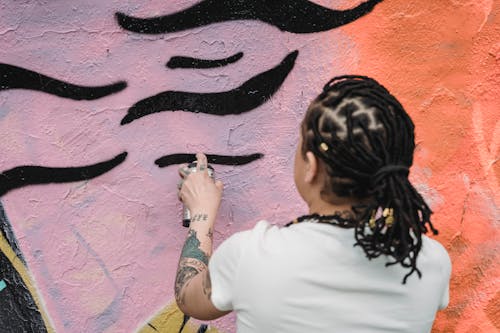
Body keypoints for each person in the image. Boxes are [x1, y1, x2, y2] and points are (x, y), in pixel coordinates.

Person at [175, 75, 451, 332]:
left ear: (312, 166)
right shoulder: (430, 262)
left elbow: (189, 297)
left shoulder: (252, 255)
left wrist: (202, 213)